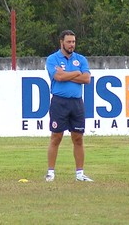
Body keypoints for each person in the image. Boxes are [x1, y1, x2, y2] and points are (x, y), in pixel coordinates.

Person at [45, 30, 93, 182]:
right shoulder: (53, 59)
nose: (72, 45)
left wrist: (68, 75)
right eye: (69, 42)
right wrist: (76, 73)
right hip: (59, 102)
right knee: (56, 137)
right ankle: (51, 173)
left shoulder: (81, 59)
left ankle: (80, 174)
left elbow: (86, 79)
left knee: (78, 138)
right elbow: (58, 77)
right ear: (61, 42)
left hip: (77, 103)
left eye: (73, 42)